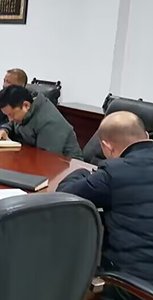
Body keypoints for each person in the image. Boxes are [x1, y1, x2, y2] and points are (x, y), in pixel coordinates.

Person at [58, 112, 153, 282]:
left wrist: (81, 172)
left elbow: (64, 196)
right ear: (146, 136)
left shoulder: (114, 172)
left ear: (106, 147)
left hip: (133, 284)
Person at [0, 85, 82, 159]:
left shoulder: (48, 122)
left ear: (26, 105)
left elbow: (47, 159)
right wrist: (4, 130)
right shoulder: (24, 111)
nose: (10, 119)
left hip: (67, 168)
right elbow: (13, 124)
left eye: (11, 115)